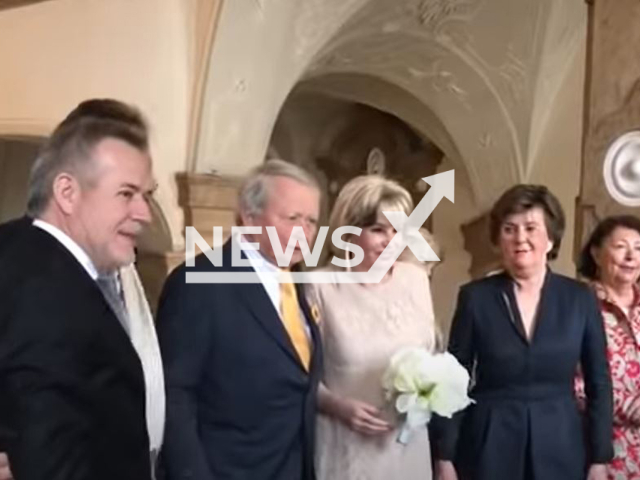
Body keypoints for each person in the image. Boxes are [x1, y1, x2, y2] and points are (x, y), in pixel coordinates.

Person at [0, 99, 157, 479]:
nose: (145, 214)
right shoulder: (45, 290)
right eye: (127, 194)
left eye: (147, 196)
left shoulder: (21, 252)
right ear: (67, 192)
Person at [157, 159, 323, 480]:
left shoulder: (298, 282)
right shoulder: (199, 281)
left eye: (312, 221)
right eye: (292, 218)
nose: (304, 233)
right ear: (249, 216)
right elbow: (174, 395)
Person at [435, 184, 613, 480]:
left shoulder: (580, 298)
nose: (520, 238)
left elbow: (599, 383)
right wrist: (444, 455)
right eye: (509, 229)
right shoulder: (475, 297)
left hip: (561, 443)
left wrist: (600, 457)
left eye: (531, 228)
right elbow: (454, 379)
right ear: (498, 239)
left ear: (551, 237)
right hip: (489, 442)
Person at [307, 175, 437, 480]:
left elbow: (430, 355)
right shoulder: (319, 286)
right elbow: (297, 374)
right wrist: (337, 406)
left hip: (410, 448)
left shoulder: (415, 278)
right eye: (378, 229)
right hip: (346, 447)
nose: (390, 240)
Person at [576, 215, 640, 480]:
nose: (630, 256)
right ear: (596, 252)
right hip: (602, 452)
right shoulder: (577, 305)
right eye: (620, 246)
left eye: (638, 248)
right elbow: (572, 383)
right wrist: (633, 407)